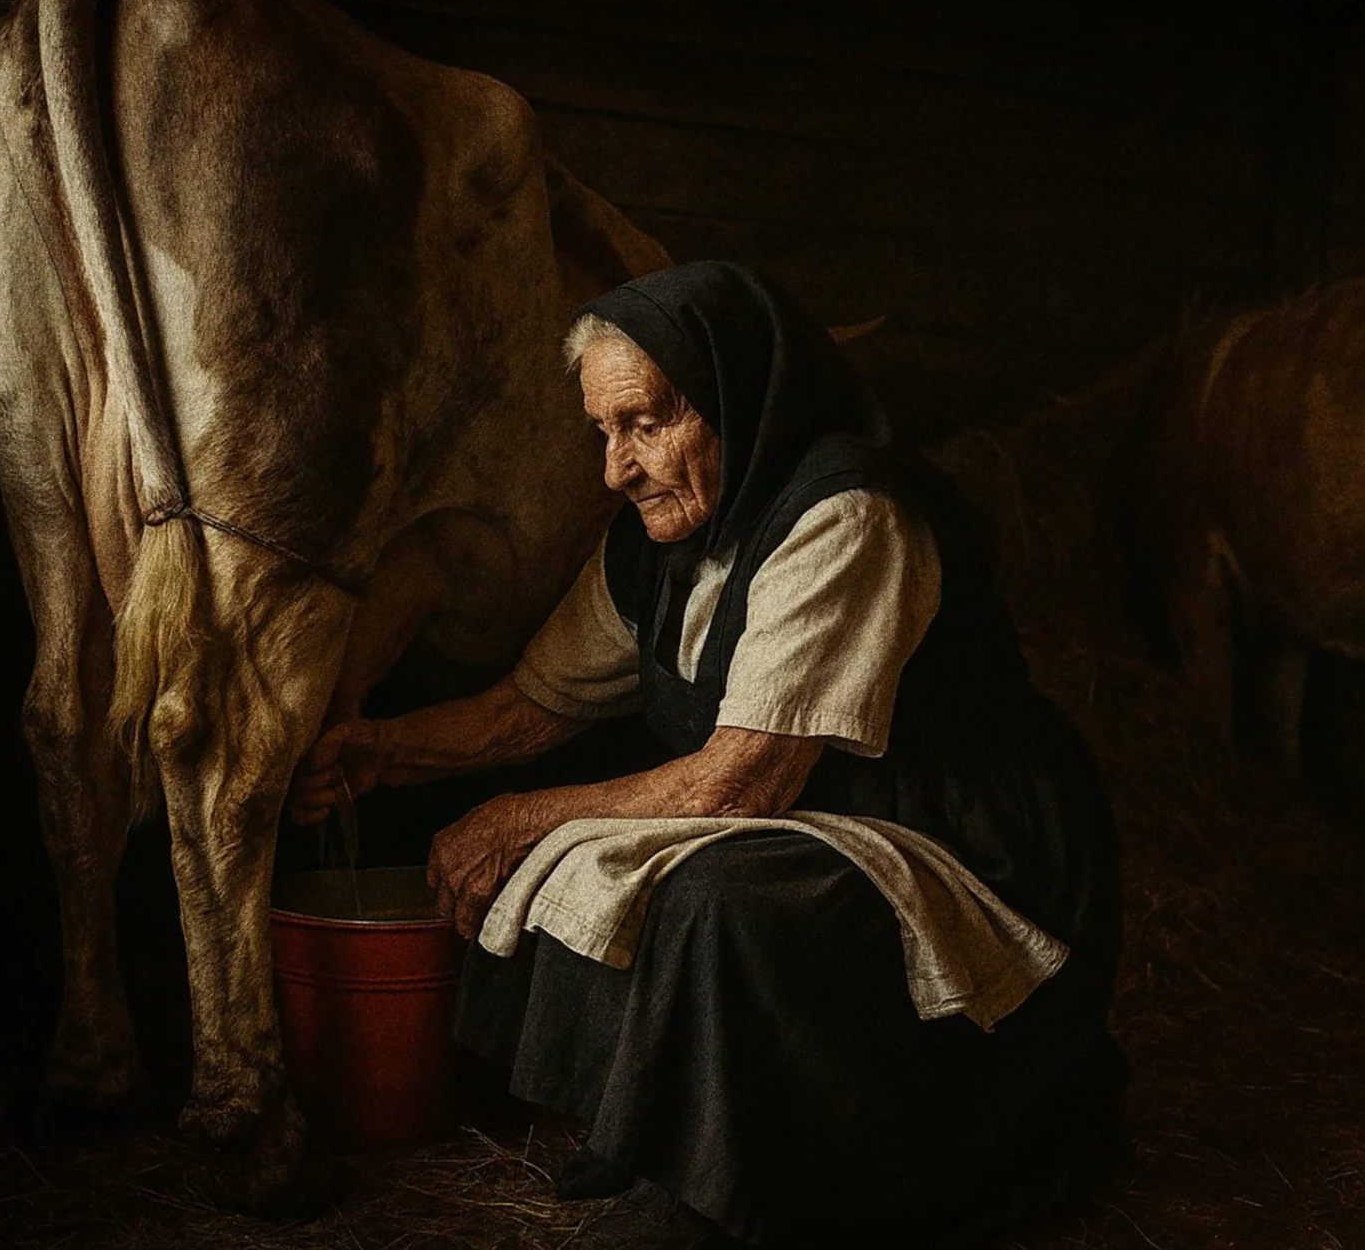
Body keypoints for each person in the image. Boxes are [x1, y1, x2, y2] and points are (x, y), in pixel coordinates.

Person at [292, 261, 1124, 1248]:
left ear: (733, 396)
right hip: (814, 814)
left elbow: (743, 779)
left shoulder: (846, 516)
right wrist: (379, 751)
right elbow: (530, 707)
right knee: (602, 854)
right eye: (605, 432)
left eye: (646, 423)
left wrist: (518, 814)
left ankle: (720, 1190)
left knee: (718, 897)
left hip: (960, 833)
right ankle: (661, 1132)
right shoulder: (656, 540)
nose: (617, 468)